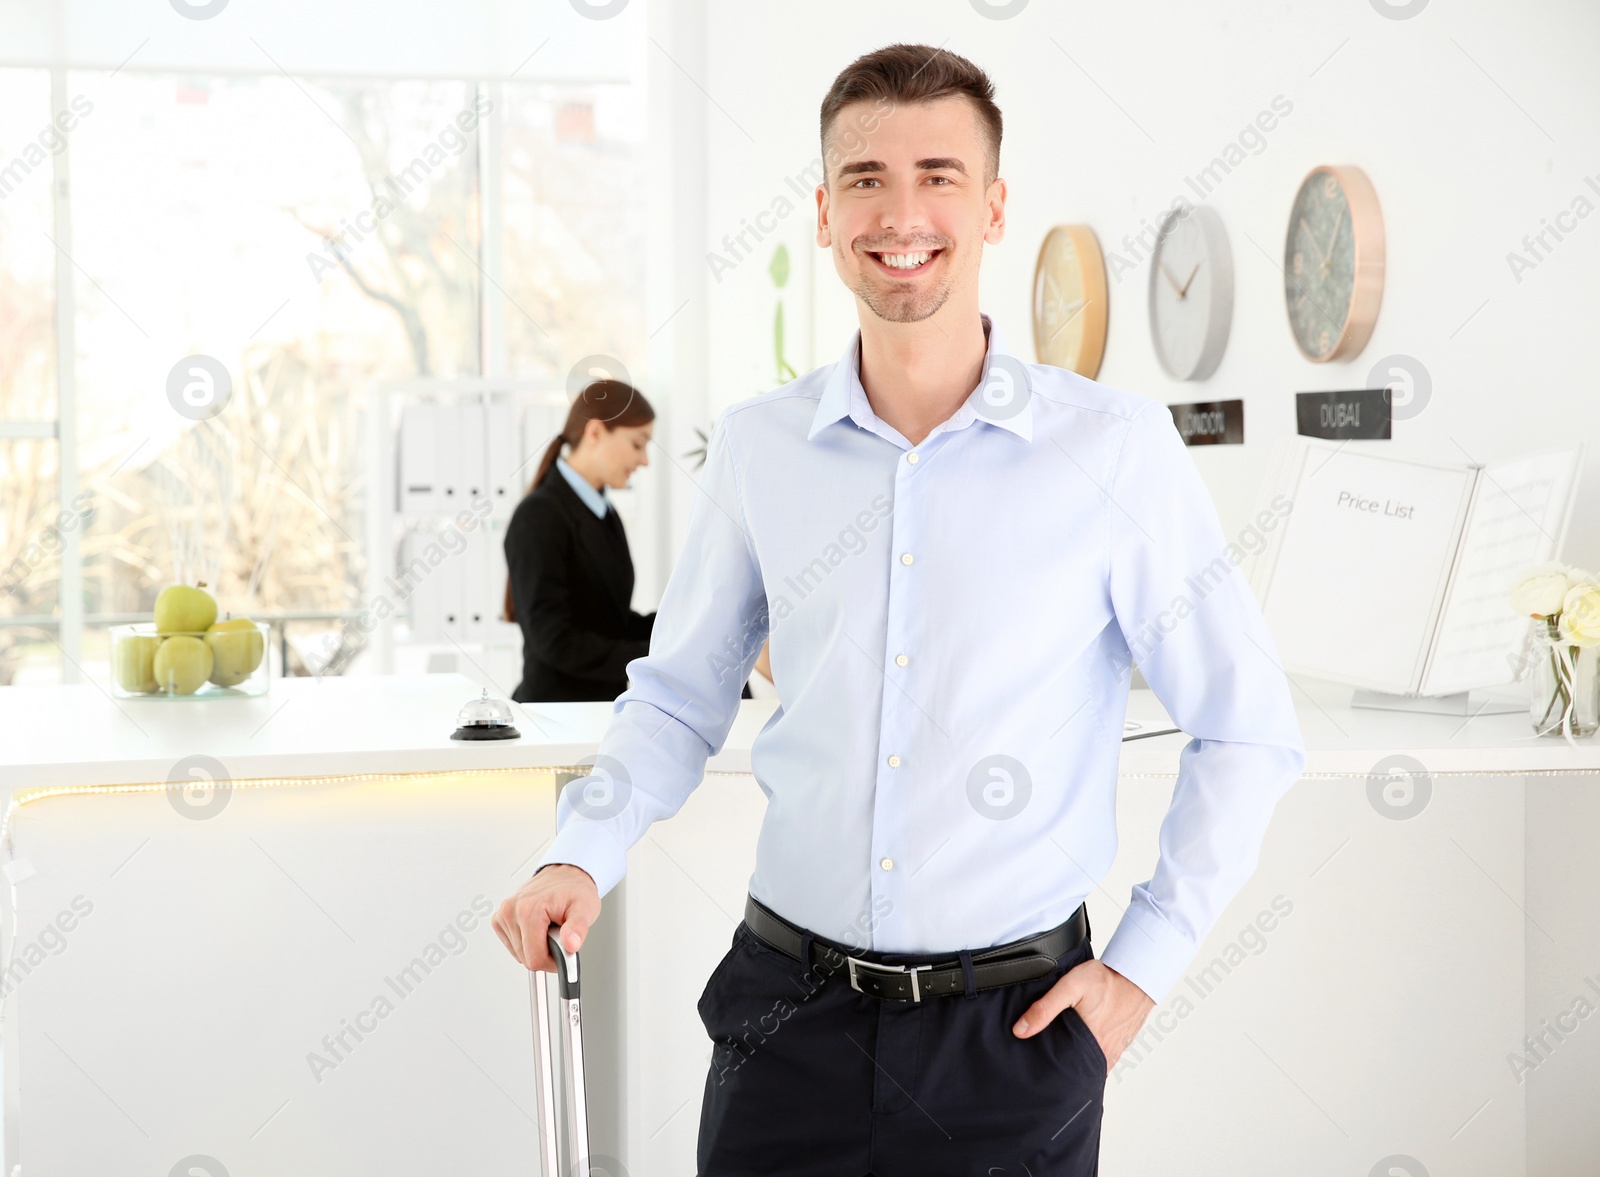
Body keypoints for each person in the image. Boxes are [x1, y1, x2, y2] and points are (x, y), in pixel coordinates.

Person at [495, 44, 1306, 1173]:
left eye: (940, 173)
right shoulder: (759, 448)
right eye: (867, 178)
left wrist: (1138, 971)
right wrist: (580, 853)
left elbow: (1248, 728)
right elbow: (677, 698)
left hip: (1013, 1042)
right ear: (825, 214)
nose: (902, 211)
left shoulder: (1115, 452)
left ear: (994, 206)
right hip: (783, 1021)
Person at [502, 379, 657, 704]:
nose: (645, 460)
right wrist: (654, 657)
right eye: (638, 443)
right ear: (596, 432)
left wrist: (676, 626)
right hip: (554, 717)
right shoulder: (539, 516)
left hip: (595, 712)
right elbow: (555, 641)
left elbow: (609, 620)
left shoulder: (604, 513)